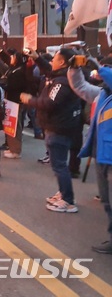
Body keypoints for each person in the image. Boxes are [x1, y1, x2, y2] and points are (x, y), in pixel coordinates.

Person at [20, 48, 82, 213]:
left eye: (54, 59)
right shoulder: (64, 75)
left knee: (59, 165)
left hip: (59, 128)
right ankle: (63, 192)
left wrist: (30, 100)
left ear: (61, 62)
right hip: (59, 126)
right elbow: (48, 70)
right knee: (59, 164)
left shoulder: (62, 82)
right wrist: (38, 58)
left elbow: (49, 103)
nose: (51, 62)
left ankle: (68, 200)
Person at [68, 59, 112, 252]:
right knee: (106, 200)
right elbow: (80, 86)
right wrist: (74, 68)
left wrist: (98, 67)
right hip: (101, 155)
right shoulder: (102, 93)